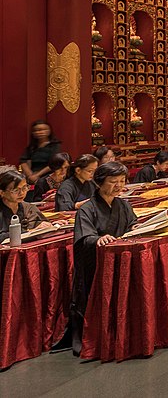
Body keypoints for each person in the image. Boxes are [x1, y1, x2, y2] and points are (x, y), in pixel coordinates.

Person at [63, 161, 136, 354]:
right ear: (99, 182)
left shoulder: (123, 205)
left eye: (122, 181)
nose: (119, 185)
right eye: (113, 181)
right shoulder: (87, 209)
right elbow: (84, 237)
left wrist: (136, 229)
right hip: (95, 265)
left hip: (121, 261)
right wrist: (98, 238)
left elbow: (132, 225)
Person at [0, 169, 48, 238]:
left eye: (24, 188)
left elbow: (41, 224)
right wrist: (30, 232)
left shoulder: (29, 207)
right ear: (2, 193)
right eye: (16, 190)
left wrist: (54, 225)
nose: (21, 193)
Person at [18, 120, 62, 192]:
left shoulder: (55, 146)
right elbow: (23, 161)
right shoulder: (32, 147)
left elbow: (54, 163)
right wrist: (30, 175)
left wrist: (37, 175)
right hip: (32, 176)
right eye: (36, 130)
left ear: (49, 131)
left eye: (43, 129)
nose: (40, 132)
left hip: (49, 175)